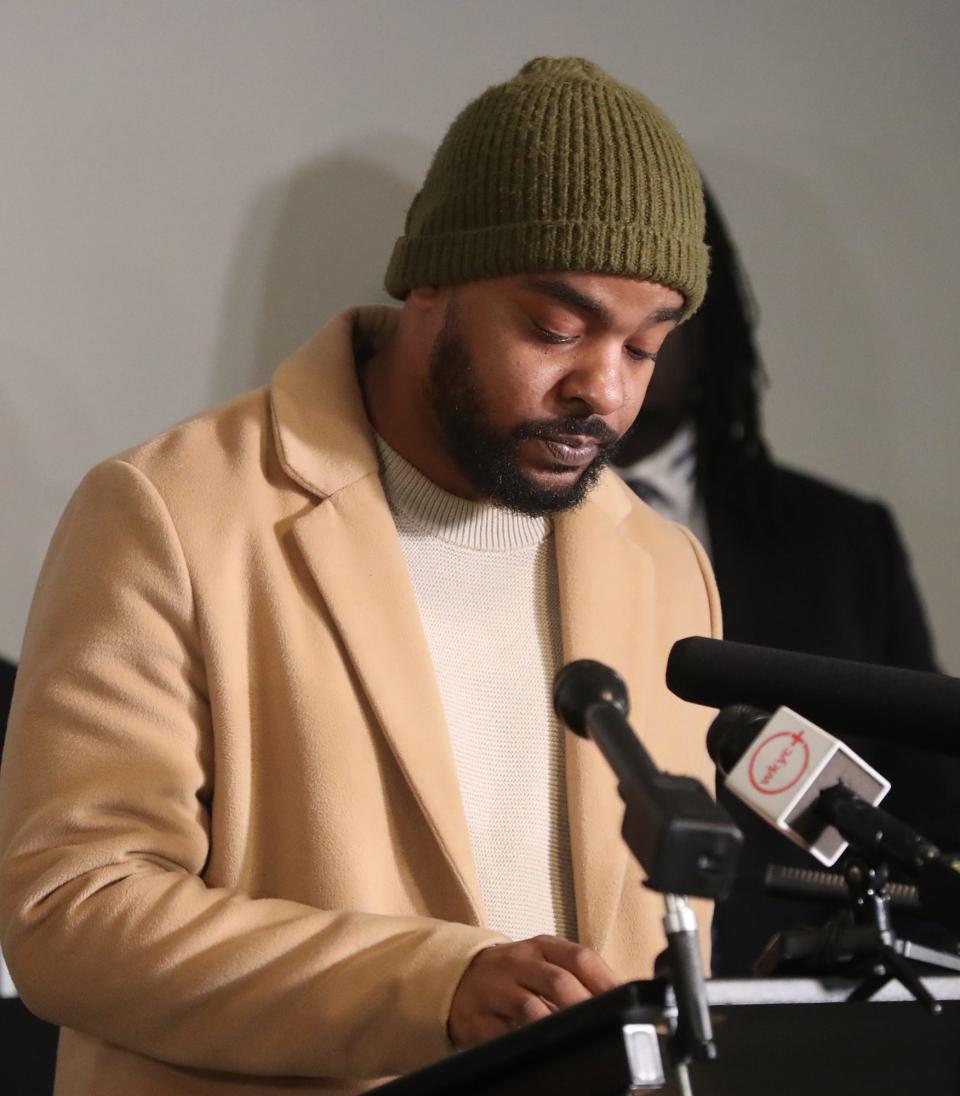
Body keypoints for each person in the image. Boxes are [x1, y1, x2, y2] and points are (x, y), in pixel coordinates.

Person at [0, 58, 721, 1095]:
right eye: (556, 330)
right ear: (430, 281)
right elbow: (70, 911)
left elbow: (668, 950)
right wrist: (433, 987)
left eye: (645, 349)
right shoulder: (168, 513)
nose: (601, 392)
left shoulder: (663, 567)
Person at [614, 185, 960, 976]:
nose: (632, 333)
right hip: (559, 1016)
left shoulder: (841, 544)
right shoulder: (473, 527)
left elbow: (938, 816)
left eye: (667, 299)